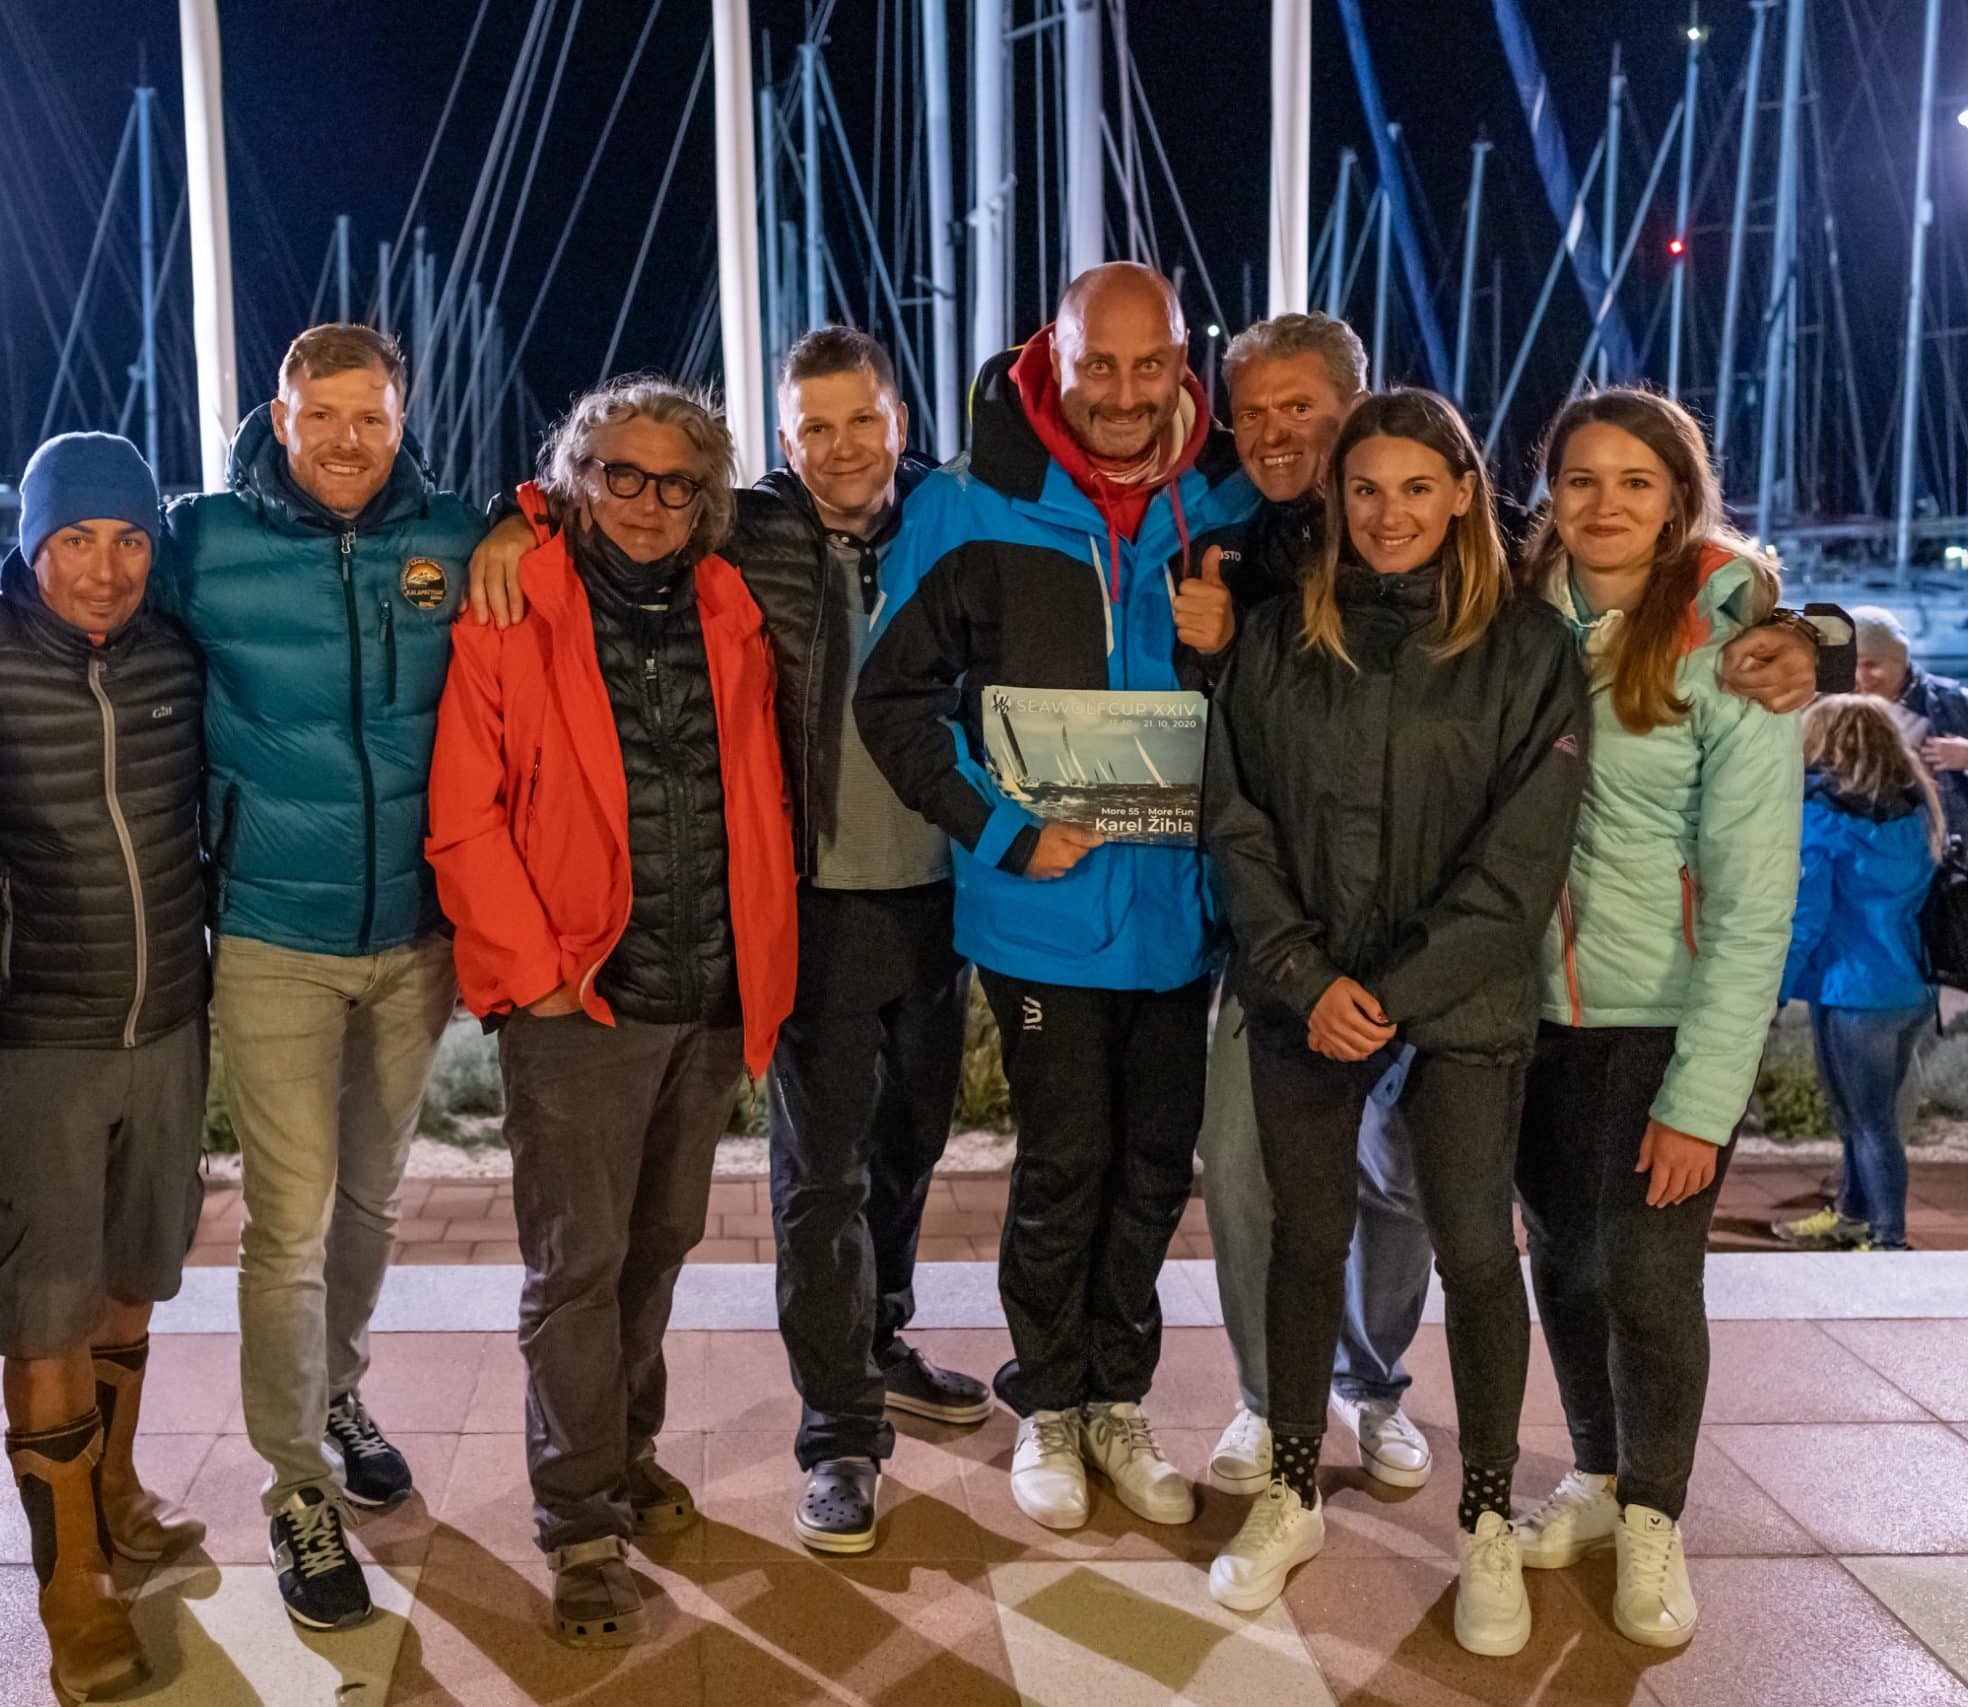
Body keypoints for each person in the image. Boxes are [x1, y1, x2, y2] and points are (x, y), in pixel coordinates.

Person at [459, 326, 990, 1556]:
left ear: (900, 423)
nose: (841, 448)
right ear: (784, 443)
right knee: (817, 1180)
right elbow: (591, 497)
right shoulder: (746, 534)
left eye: (861, 421)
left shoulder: (949, 518)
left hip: (940, 897)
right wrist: (509, 517)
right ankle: (835, 1432)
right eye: (813, 429)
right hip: (809, 905)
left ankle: (874, 1342)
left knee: (904, 1149)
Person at [854, 261, 1258, 1535]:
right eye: (1099, 365)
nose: (1124, 394)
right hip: (1042, 916)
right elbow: (890, 700)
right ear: (1054, 355)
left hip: (1186, 913)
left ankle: (1116, 1401)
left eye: (1152, 365)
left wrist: (1229, 645)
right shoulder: (967, 504)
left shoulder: (1236, 498)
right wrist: (1002, 831)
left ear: (1184, 361)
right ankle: (1048, 1401)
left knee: (1154, 1171)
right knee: (1066, 1163)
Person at [1200, 389, 1590, 1654]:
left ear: (1464, 492)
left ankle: (1486, 1520)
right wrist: (1304, 978)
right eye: (1364, 489)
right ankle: (1292, 1490)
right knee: (1304, 1243)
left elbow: (1521, 861)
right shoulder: (1277, 638)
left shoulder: (1526, 649)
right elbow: (1235, 821)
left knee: (1475, 1251)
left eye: (1417, 487)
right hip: (1302, 1000)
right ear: (1336, 498)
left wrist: (1395, 997)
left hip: (1460, 1002)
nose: (1388, 513)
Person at [426, 376, 797, 1645]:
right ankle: (578, 1520)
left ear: (707, 500)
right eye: (620, 476)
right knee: (576, 1269)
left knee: (659, 1244)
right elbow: (463, 815)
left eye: (676, 484)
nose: (647, 503)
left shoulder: (729, 601)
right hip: (578, 996)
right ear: (575, 483)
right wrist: (534, 975)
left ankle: (625, 1451)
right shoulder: (514, 601)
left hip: (709, 990)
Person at [151, 325, 480, 1629]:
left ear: (403, 420)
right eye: (323, 415)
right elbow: (70, 582)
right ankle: (294, 1484)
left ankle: (339, 1389)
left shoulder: (454, 537)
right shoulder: (201, 542)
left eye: (372, 417)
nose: (348, 440)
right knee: (287, 1223)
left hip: (414, 938)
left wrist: (521, 530)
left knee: (373, 1199)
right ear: (278, 417)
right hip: (272, 935)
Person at [1509, 387, 1802, 1650]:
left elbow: (1753, 901)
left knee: (1646, 1274)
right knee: (1562, 1259)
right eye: (1581, 479)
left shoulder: (1727, 650)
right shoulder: (1514, 622)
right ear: (1549, 494)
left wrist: (1701, 1098)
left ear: (1679, 499)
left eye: (1635, 481)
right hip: (1528, 1015)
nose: (1605, 504)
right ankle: (1593, 1468)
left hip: (1663, 1020)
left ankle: (1654, 1512)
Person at [0, 432, 209, 1703]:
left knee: (134, 1280)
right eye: (74, 541)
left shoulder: (176, 652)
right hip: (34, 1036)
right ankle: (71, 1587)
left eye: (130, 540)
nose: (105, 570)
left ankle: (116, 1492)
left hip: (169, 1028)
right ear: (29, 543)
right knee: (44, 1312)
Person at [1177, 314, 1442, 1499]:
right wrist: (1208, 654)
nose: (1275, 431)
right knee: (1239, 1171)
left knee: (1398, 1176)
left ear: (1354, 403)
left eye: (1300, 406)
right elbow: (1227, 763)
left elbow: (1611, 581)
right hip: (1276, 933)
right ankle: (1262, 1393)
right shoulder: (1226, 553)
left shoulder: (1447, 549)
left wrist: (1777, 621)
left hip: (1419, 937)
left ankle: (1368, 1381)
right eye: (1253, 412)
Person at [1771, 694, 1940, 1252]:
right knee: (1870, 1118)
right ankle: (1853, 1215)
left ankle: (1889, 1241)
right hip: (1910, 987)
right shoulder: (1916, 811)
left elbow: (1807, 919)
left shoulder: (1822, 817)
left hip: (1853, 992)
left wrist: (1772, 991)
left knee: (1867, 1123)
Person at [1849, 605, 1968, 835]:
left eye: (1871, 664)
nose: (1861, 677)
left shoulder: (1954, 703)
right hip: (1865, 847)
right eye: (1850, 665)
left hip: (1944, 847)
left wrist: (1966, 757)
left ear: (1900, 661)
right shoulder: (1826, 710)